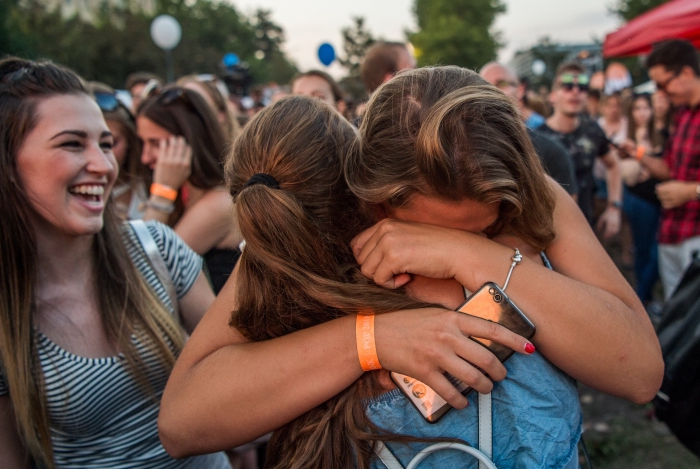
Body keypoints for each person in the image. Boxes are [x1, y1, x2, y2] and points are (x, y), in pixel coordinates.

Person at [159, 66, 663, 467]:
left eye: (486, 226)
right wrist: (371, 341)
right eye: (444, 228)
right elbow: (184, 423)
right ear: (376, 202)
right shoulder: (316, 224)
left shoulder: (536, 200)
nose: (472, 239)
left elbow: (639, 373)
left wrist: (477, 257)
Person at [0, 57, 229, 469]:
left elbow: (235, 378)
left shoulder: (157, 248)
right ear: (4, 163)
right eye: (71, 144)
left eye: (104, 143)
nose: (103, 166)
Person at [137, 86, 242, 292]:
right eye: (142, 143)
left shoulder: (219, 203)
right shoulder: (188, 193)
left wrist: (162, 193)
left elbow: (143, 269)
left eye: (155, 143)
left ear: (188, 139)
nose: (145, 157)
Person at [538, 63, 624, 240]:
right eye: (568, 86)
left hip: (586, 226)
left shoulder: (593, 131)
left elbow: (613, 165)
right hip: (548, 231)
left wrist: (614, 207)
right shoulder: (538, 137)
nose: (575, 92)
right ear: (553, 96)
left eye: (582, 87)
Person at [642, 39, 700, 298]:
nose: (661, 93)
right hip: (673, 232)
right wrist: (639, 154)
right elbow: (671, 170)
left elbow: (685, 184)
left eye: (663, 84)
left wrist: (692, 191)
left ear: (687, 72)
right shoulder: (683, 114)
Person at [479, 62, 578, 198]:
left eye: (501, 84)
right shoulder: (465, 151)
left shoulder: (551, 152)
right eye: (483, 85)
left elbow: (568, 216)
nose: (491, 91)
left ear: (520, 90)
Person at [620, 94, 661, 303]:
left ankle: (644, 294)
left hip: (661, 202)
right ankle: (642, 297)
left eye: (646, 107)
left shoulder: (661, 134)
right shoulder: (628, 138)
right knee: (644, 250)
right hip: (639, 201)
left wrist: (648, 167)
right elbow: (628, 176)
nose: (642, 112)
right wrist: (646, 165)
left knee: (657, 252)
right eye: (637, 108)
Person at [90, 82, 151, 220]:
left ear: (130, 139)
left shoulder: (151, 181)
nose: (99, 160)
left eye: (108, 144)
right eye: (75, 145)